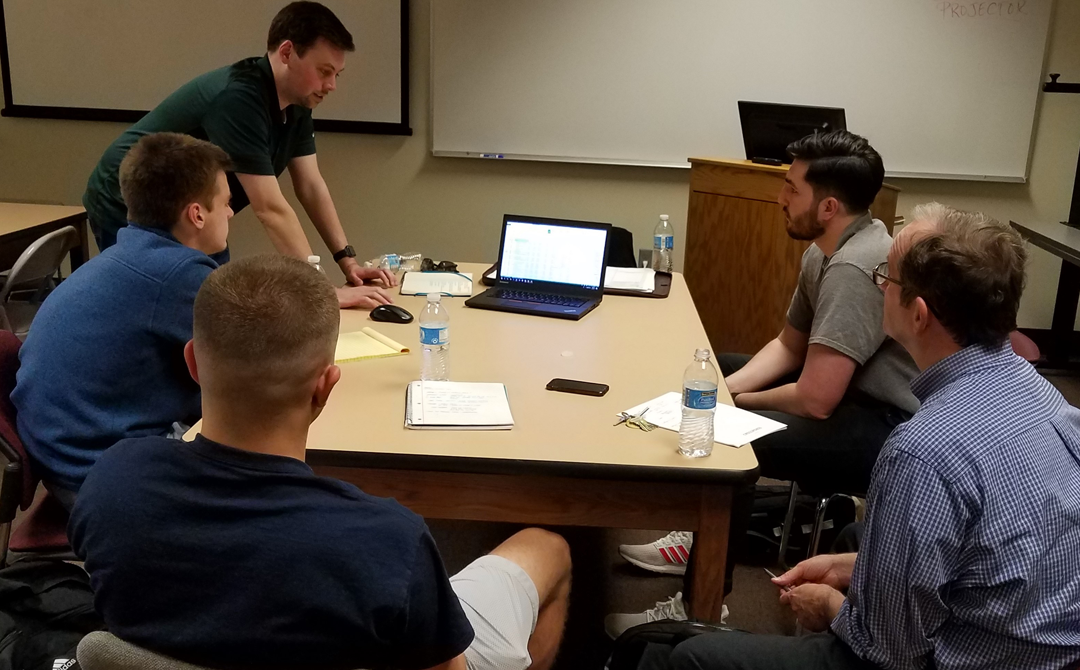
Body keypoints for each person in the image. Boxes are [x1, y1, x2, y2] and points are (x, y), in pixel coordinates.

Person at [69, 254, 573, 670]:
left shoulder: (112, 482)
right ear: (326, 385)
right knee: (548, 547)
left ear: (193, 363)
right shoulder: (387, 540)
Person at [660, 204, 1080, 669]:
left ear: (918, 315)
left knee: (685, 657)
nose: (879, 284)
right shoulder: (1050, 399)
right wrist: (854, 567)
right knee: (854, 538)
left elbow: (891, 651)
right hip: (1048, 645)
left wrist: (829, 608)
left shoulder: (922, 450)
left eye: (888, 277)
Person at [608, 130, 920, 636]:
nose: (780, 198)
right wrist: (726, 386)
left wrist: (737, 403)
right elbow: (789, 346)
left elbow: (816, 399)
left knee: (733, 436)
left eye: (792, 189)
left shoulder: (855, 266)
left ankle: (704, 603)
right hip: (848, 397)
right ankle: (707, 533)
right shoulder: (825, 249)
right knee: (710, 369)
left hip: (885, 428)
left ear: (828, 206)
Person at [82, 1, 396, 309]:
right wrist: (321, 290)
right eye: (324, 71)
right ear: (287, 53)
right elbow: (270, 208)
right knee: (164, 306)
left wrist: (348, 263)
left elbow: (311, 186)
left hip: (198, 211)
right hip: (125, 196)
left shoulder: (298, 104)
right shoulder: (240, 98)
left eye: (337, 75)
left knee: (214, 304)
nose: (331, 85)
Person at [13, 132, 233, 508]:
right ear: (197, 214)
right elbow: (253, 362)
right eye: (226, 203)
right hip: (101, 478)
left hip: (66, 456)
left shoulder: (129, 256)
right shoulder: (176, 274)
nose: (230, 213)